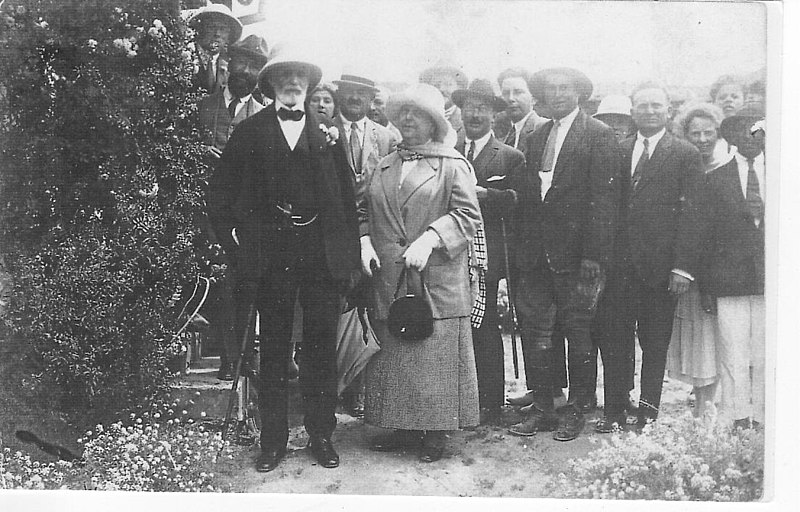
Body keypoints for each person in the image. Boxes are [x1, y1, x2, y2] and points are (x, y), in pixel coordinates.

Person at [207, 48, 361, 473]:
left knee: (320, 348)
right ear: (272, 83)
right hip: (270, 255)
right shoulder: (250, 132)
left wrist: (347, 260)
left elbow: (347, 200)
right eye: (285, 75)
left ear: (309, 85)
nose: (293, 82)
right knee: (273, 348)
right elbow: (219, 196)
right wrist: (238, 249)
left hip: (319, 253)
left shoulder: (327, 134)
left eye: (301, 76)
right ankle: (272, 440)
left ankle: (321, 434)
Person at [359, 83, 481, 462]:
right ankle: (402, 425)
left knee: (433, 354)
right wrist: (364, 241)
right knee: (397, 354)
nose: (408, 119)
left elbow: (468, 215)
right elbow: (364, 208)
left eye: (417, 114)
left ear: (434, 123)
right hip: (390, 276)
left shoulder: (452, 165)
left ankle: (435, 430)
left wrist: (431, 238)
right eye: (403, 114)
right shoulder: (384, 164)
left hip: (435, 276)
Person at [507, 67, 621, 441]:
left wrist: (593, 256)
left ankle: (577, 410)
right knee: (538, 332)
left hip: (577, 258)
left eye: (564, 88)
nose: (557, 94)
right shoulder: (537, 136)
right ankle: (544, 408)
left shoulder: (598, 135)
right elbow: (530, 197)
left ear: (579, 93)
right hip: (536, 257)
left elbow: (604, 201)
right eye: (550, 88)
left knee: (579, 333)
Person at [594, 82, 702, 433]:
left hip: (661, 268)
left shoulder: (684, 153)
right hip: (618, 268)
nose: (650, 111)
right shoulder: (618, 149)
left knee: (655, 344)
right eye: (643, 106)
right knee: (615, 341)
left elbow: (693, 215)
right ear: (632, 112)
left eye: (657, 106)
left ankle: (648, 413)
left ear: (668, 111)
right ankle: (613, 410)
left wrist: (682, 267)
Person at [676, 105, 766, 429]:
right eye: (743, 130)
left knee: (767, 352)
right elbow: (705, 238)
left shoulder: (786, 172)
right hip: (730, 282)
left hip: (773, 281)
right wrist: (707, 287)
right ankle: (739, 417)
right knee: (733, 351)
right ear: (730, 136)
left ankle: (766, 417)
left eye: (757, 130)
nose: (751, 137)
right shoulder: (714, 179)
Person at [452, 79, 525, 424]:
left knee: (484, 324)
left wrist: (487, 196)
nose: (475, 114)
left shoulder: (509, 156)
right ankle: (457, 397)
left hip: (490, 254)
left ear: (494, 115)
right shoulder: (448, 150)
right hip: (452, 251)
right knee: (453, 323)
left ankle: (490, 402)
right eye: (470, 107)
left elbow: (520, 202)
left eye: (482, 108)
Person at [197, 35, 269, 380]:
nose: (246, 71)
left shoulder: (265, 117)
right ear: (229, 61)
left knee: (243, 285)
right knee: (212, 284)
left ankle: (239, 358)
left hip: (243, 216)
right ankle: (221, 353)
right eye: (242, 62)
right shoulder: (201, 107)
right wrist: (198, 153)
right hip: (201, 211)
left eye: (255, 66)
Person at [331, 73, 398, 416]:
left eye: (362, 93)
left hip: (376, 236)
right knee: (336, 309)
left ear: (372, 99)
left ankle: (363, 390)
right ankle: (332, 385)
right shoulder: (322, 130)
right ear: (339, 94)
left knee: (372, 310)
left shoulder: (386, 137)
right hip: (334, 234)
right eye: (349, 92)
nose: (355, 98)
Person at [665, 102, 732, 418]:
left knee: (712, 334)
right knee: (696, 333)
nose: (703, 139)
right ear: (685, 135)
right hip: (687, 265)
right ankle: (701, 397)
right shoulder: (682, 167)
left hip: (718, 267)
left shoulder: (726, 167)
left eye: (709, 133)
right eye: (696, 134)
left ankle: (707, 404)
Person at [188, 3, 243, 93]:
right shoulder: (186, 56)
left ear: (228, 37)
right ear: (200, 30)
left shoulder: (227, 67)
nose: (217, 34)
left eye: (223, 29)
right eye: (211, 27)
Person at [496, 67, 547, 149]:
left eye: (518, 92)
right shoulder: (501, 134)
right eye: (506, 93)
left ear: (533, 98)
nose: (511, 98)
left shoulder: (544, 129)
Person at [419, 65, 468, 134]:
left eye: (448, 84)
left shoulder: (467, 123)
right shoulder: (420, 119)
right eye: (436, 85)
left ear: (459, 89)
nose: (441, 89)